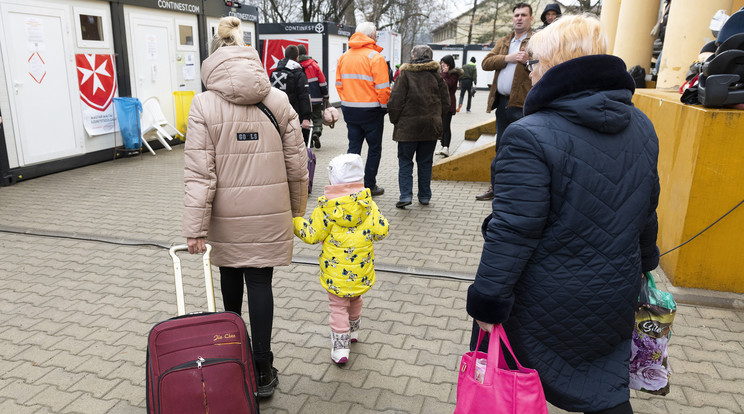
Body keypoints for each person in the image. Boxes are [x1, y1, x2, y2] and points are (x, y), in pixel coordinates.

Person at [466, 14, 660, 414]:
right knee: (606, 388)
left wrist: (487, 301)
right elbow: (647, 206)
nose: (530, 70)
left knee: (508, 384)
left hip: (546, 297)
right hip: (615, 290)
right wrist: (646, 265)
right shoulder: (641, 124)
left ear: (555, 64)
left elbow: (514, 230)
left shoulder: (528, 135)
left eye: (533, 62)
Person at [182, 16, 309, 399]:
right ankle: (263, 368)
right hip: (270, 211)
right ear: (251, 58)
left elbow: (198, 173)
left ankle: (232, 358)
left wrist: (195, 227)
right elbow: (297, 164)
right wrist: (295, 210)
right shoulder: (278, 99)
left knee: (231, 278)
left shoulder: (203, 104)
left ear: (213, 61)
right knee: (260, 282)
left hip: (225, 213)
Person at [292, 153, 389, 364]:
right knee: (355, 298)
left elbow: (311, 235)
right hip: (361, 270)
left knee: (338, 306)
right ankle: (353, 332)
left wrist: (296, 222)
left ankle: (340, 347)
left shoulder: (326, 209)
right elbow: (382, 230)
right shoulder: (368, 205)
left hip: (336, 274)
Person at [475, 2, 534, 201]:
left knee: (523, 148)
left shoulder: (536, 41)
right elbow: (486, 63)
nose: (519, 18)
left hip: (523, 104)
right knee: (500, 146)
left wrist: (527, 61)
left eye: (523, 15)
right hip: (502, 103)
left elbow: (545, 67)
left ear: (531, 19)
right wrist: (507, 58)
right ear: (512, 18)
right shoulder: (504, 41)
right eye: (516, 15)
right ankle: (496, 188)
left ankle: (518, 191)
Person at [387, 45, 449, 208]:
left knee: (405, 161)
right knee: (425, 162)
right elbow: (446, 103)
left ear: (413, 56)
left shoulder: (405, 75)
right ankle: (425, 196)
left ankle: (406, 195)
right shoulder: (437, 76)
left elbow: (395, 101)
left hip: (408, 128)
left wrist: (395, 120)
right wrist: (437, 119)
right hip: (430, 127)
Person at [336, 22, 391, 197]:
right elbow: (383, 88)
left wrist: (347, 102)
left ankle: (351, 184)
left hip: (350, 111)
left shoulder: (344, 57)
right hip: (372, 112)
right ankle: (369, 185)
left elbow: (339, 85)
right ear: (373, 35)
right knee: (374, 149)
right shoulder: (375, 57)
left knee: (353, 148)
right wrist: (384, 107)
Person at [271, 44, 312, 146]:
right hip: (294, 114)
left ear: (284, 56)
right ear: (297, 57)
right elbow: (303, 96)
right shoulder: (299, 73)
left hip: (277, 113)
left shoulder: (276, 72)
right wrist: (306, 117)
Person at [297, 44, 330, 149]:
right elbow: (322, 82)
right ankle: (316, 132)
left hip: (302, 100)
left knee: (304, 120)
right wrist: (326, 95)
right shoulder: (314, 65)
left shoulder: (295, 66)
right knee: (317, 118)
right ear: (306, 53)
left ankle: (308, 141)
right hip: (316, 98)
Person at [438, 55, 463, 157]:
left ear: (449, 64)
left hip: (449, 103)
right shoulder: (442, 73)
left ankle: (446, 147)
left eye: (444, 63)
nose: (442, 65)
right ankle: (442, 145)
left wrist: (444, 73)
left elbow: (447, 84)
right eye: (441, 63)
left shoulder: (453, 75)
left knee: (446, 126)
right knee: (440, 127)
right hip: (440, 104)